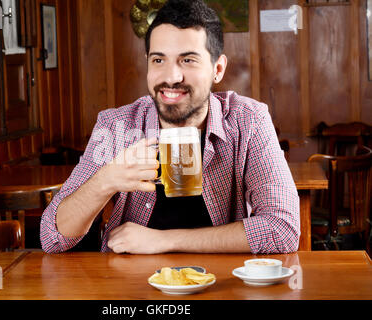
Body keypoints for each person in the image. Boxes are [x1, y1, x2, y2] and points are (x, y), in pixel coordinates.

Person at [40, 0, 300, 254]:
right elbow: (52, 238)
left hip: (221, 287)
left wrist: (163, 241)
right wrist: (105, 181)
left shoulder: (247, 120)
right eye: (158, 60)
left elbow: (283, 229)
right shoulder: (117, 125)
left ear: (217, 69)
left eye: (188, 60)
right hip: (131, 289)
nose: (171, 77)